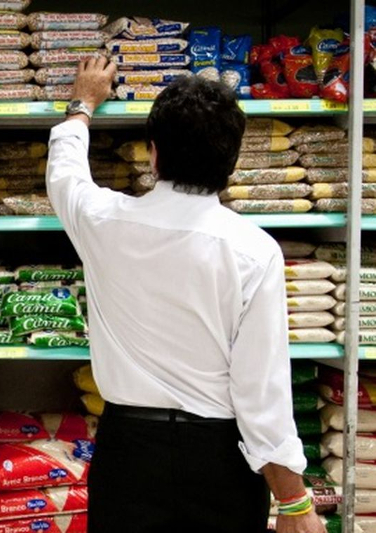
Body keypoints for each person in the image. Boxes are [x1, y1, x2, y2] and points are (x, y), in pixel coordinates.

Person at [47, 56, 327, 533]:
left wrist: (83, 104)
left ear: (153, 154)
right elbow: (261, 389)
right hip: (220, 460)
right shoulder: (254, 251)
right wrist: (294, 502)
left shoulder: (103, 222)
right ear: (232, 162)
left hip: (128, 455)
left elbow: (65, 174)